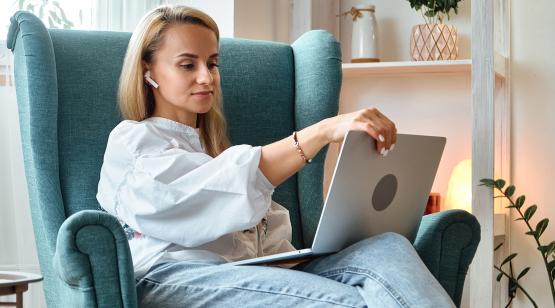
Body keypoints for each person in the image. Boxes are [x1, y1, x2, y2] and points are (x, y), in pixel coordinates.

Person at [97, 5, 455, 307]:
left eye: (213, 63)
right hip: (172, 276)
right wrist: (323, 131)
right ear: (148, 70)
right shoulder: (133, 142)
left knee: (387, 249)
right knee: (350, 302)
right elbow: (201, 197)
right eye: (188, 65)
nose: (207, 77)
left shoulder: (211, 150)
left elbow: (258, 231)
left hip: (252, 270)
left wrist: (322, 250)